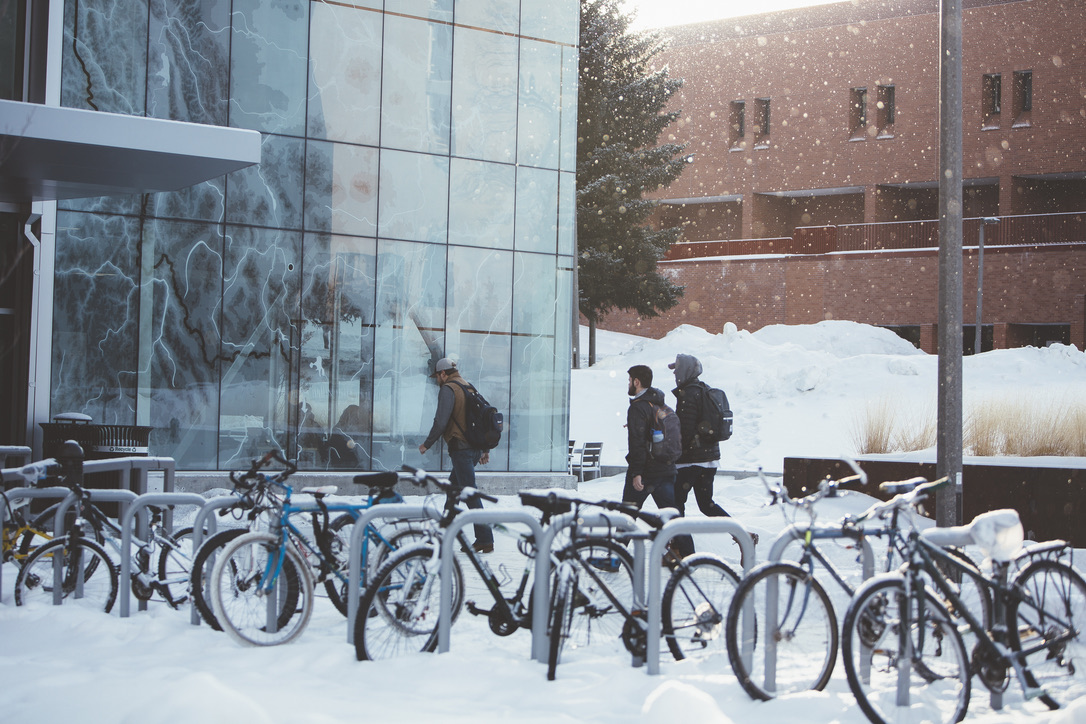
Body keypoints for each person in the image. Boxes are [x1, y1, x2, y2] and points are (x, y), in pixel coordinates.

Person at [419, 357, 494, 553]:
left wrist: (427, 444)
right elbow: (484, 418)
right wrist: (484, 449)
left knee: (470, 494)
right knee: (453, 492)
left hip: (462, 449)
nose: (437, 380)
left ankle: (485, 538)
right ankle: (441, 535)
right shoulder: (468, 386)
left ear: (443, 374)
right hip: (473, 447)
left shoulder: (449, 389)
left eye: (437, 376)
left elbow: (441, 421)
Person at [622, 364, 694, 558]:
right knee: (673, 516)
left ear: (637, 382)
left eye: (630, 380)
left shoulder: (638, 408)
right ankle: (690, 556)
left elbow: (637, 443)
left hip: (646, 472)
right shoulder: (659, 404)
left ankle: (614, 557)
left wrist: (637, 473)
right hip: (666, 469)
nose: (628, 384)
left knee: (627, 514)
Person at [669, 354, 731, 521]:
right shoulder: (705, 390)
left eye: (677, 370)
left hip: (691, 461)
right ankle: (742, 533)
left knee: (675, 503)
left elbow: (685, 431)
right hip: (710, 459)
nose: (675, 374)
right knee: (706, 504)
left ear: (686, 371)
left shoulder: (688, 395)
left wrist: (673, 452)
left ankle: (680, 544)